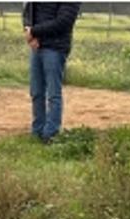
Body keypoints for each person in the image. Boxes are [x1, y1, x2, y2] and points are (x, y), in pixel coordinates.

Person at [22, 2, 80, 144]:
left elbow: (63, 22)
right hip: (37, 46)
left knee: (53, 94)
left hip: (55, 48)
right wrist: (29, 33)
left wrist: (34, 31)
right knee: (36, 92)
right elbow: (28, 10)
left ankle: (51, 134)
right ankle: (38, 131)